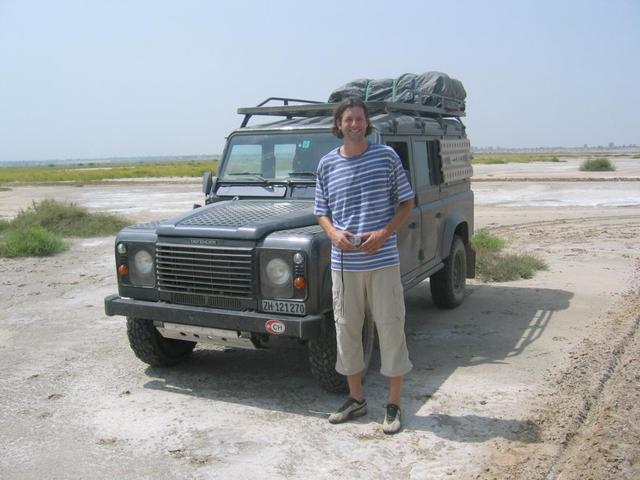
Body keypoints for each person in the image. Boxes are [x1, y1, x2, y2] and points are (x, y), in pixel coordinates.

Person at [314, 97, 414, 434]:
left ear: (366, 123)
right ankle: (356, 399)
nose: (354, 124)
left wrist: (384, 234)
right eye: (348, 119)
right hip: (344, 264)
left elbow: (406, 202)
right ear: (338, 125)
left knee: (390, 326)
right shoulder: (327, 164)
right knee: (346, 329)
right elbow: (321, 210)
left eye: (359, 119)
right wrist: (332, 233)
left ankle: (394, 403)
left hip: (382, 261)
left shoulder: (385, 157)